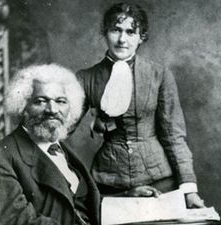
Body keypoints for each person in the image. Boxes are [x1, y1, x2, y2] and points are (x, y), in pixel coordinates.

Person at [76, 2, 204, 207]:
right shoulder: (86, 78)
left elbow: (174, 136)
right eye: (115, 30)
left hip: (160, 182)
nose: (122, 39)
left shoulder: (159, 75)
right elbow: (60, 130)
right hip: (109, 183)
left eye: (130, 32)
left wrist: (189, 189)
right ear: (105, 32)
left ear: (141, 37)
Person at [0, 64, 100, 225]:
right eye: (40, 101)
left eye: (61, 101)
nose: (52, 109)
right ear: (23, 106)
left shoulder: (62, 150)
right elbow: (16, 221)